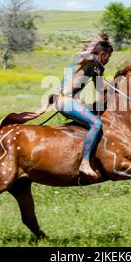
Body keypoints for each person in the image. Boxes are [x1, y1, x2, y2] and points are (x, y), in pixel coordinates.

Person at [56, 33, 113, 178]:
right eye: (108, 57)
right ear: (102, 53)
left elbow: (101, 89)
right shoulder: (87, 59)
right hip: (65, 101)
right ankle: (84, 163)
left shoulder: (96, 68)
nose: (108, 61)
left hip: (72, 102)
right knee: (96, 124)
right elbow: (86, 54)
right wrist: (97, 40)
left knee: (96, 118)